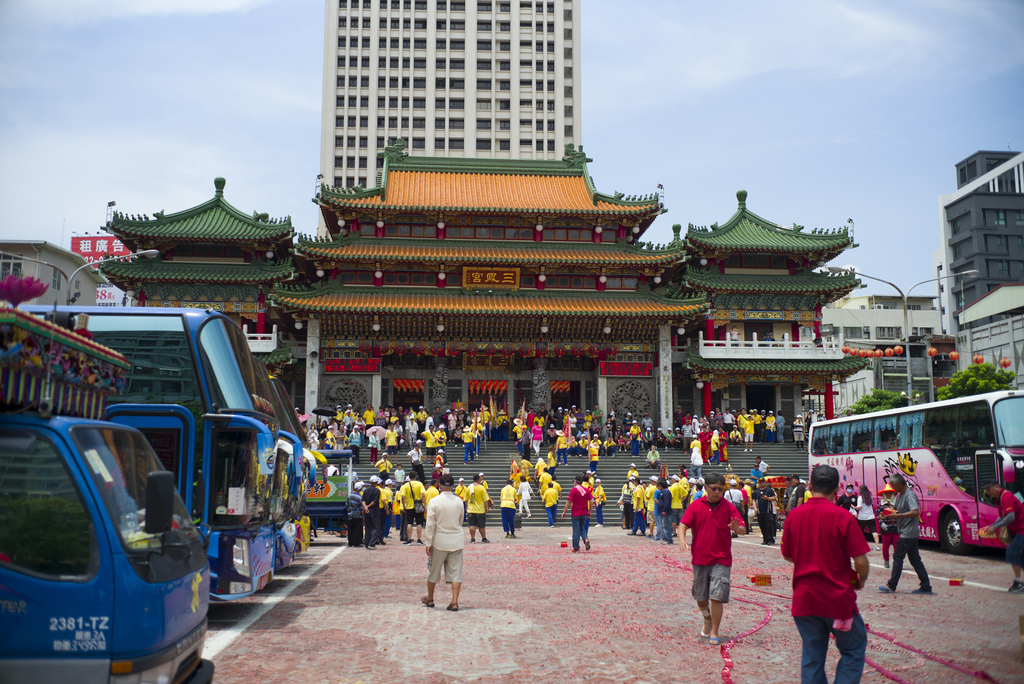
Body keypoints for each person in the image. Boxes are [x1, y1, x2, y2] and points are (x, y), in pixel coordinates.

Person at [781, 465, 870, 684]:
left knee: (812, 656)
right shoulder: (843, 517)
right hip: (837, 600)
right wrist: (860, 580)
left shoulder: (793, 516)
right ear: (838, 489)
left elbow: (788, 554)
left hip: (805, 600)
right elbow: (860, 560)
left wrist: (807, 559)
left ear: (810, 486)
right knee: (853, 648)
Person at [678, 472, 746, 646]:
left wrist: (738, 529)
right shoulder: (695, 505)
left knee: (717, 595)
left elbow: (743, 529)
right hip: (700, 557)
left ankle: (715, 630)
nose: (717, 492)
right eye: (713, 489)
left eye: (720, 489)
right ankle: (707, 618)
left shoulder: (729, 507)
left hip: (722, 558)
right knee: (701, 597)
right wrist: (682, 539)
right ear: (706, 488)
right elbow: (683, 524)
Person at [878, 473, 932, 594]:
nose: (892, 488)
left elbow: (914, 512)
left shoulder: (909, 495)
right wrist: (885, 514)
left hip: (908, 533)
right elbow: (895, 509)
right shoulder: (900, 496)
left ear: (899, 484)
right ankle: (926, 586)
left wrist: (897, 516)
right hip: (907, 532)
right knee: (915, 560)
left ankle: (891, 585)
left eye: (893, 485)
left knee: (898, 557)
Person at [422, 473, 465, 611]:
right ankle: (454, 601)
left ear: (439, 486)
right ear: (453, 486)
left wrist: (428, 542)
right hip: (456, 540)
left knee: (433, 570)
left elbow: (430, 525)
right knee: (456, 572)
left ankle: (430, 598)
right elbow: (460, 520)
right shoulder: (458, 501)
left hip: (439, 541)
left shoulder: (434, 502)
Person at [979, 479, 1024, 592]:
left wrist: (995, 527)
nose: (988, 492)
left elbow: (1010, 517)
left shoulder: (1006, 496)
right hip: (1018, 531)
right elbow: (1002, 516)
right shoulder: (1000, 498)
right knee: (1020, 558)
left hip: (1022, 530)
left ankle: (1018, 583)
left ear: (997, 486)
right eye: (987, 490)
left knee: (1012, 553)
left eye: (989, 489)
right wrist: (991, 526)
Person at [561, 474, 594, 552]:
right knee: (582, 528)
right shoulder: (586, 490)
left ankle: (576, 547)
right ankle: (585, 539)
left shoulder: (574, 490)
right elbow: (591, 501)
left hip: (576, 513)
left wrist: (564, 511)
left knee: (576, 530)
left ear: (575, 482)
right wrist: (590, 511)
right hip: (584, 512)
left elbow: (568, 501)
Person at [400, 471, 427, 546]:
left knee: (409, 523)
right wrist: (425, 506)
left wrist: (404, 506)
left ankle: (409, 540)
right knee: (419, 523)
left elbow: (402, 497)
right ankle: (419, 539)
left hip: (409, 506)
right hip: (418, 506)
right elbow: (423, 495)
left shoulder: (406, 485)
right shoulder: (419, 484)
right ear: (416, 477)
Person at [875, 484, 898, 569]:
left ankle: (897, 562)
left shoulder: (896, 503)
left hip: (896, 528)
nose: (888, 495)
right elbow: (878, 515)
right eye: (887, 493)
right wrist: (881, 523)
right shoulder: (880, 504)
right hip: (885, 528)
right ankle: (886, 561)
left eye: (890, 493)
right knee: (885, 546)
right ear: (884, 494)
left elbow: (900, 513)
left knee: (897, 546)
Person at [466, 473, 491, 543]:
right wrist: (486, 507)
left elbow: (466, 499)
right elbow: (485, 499)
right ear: (479, 480)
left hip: (471, 509)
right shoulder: (482, 488)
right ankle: (483, 538)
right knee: (481, 525)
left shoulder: (468, 488)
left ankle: (473, 539)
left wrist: (467, 506)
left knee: (472, 524)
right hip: (480, 509)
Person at [753, 478, 777, 545]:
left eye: (763, 482)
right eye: (760, 482)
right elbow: (754, 500)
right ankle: (765, 539)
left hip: (768, 511)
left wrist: (768, 498)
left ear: (765, 483)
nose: (761, 483)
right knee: (762, 525)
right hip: (760, 511)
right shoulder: (756, 491)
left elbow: (774, 497)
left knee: (768, 525)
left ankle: (770, 539)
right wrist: (755, 508)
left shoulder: (769, 490)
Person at [361, 475, 382, 550]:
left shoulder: (366, 490)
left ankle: (367, 543)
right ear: (376, 482)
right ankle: (372, 543)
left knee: (367, 527)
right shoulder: (377, 491)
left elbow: (362, 500)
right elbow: (375, 501)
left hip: (367, 512)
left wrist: (365, 507)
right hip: (374, 512)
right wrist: (368, 506)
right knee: (376, 528)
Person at [346, 481, 364, 547]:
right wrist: (362, 516)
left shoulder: (349, 496)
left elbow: (347, 505)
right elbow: (361, 508)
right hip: (357, 515)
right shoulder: (360, 497)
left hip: (350, 514)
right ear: (360, 489)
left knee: (351, 529)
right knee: (357, 529)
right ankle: (356, 543)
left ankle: (350, 542)